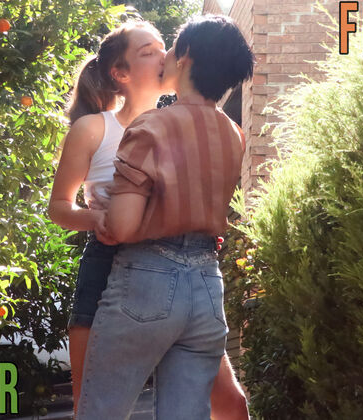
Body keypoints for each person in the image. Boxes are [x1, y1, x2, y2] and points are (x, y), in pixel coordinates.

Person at [47, 19, 250, 419]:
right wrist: (99, 219)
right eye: (148, 51)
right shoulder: (96, 128)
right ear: (119, 74)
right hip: (118, 263)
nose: (162, 56)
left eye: (164, 47)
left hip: (155, 266)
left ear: (183, 60)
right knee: (93, 404)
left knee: (104, 409)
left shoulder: (169, 124)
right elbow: (59, 207)